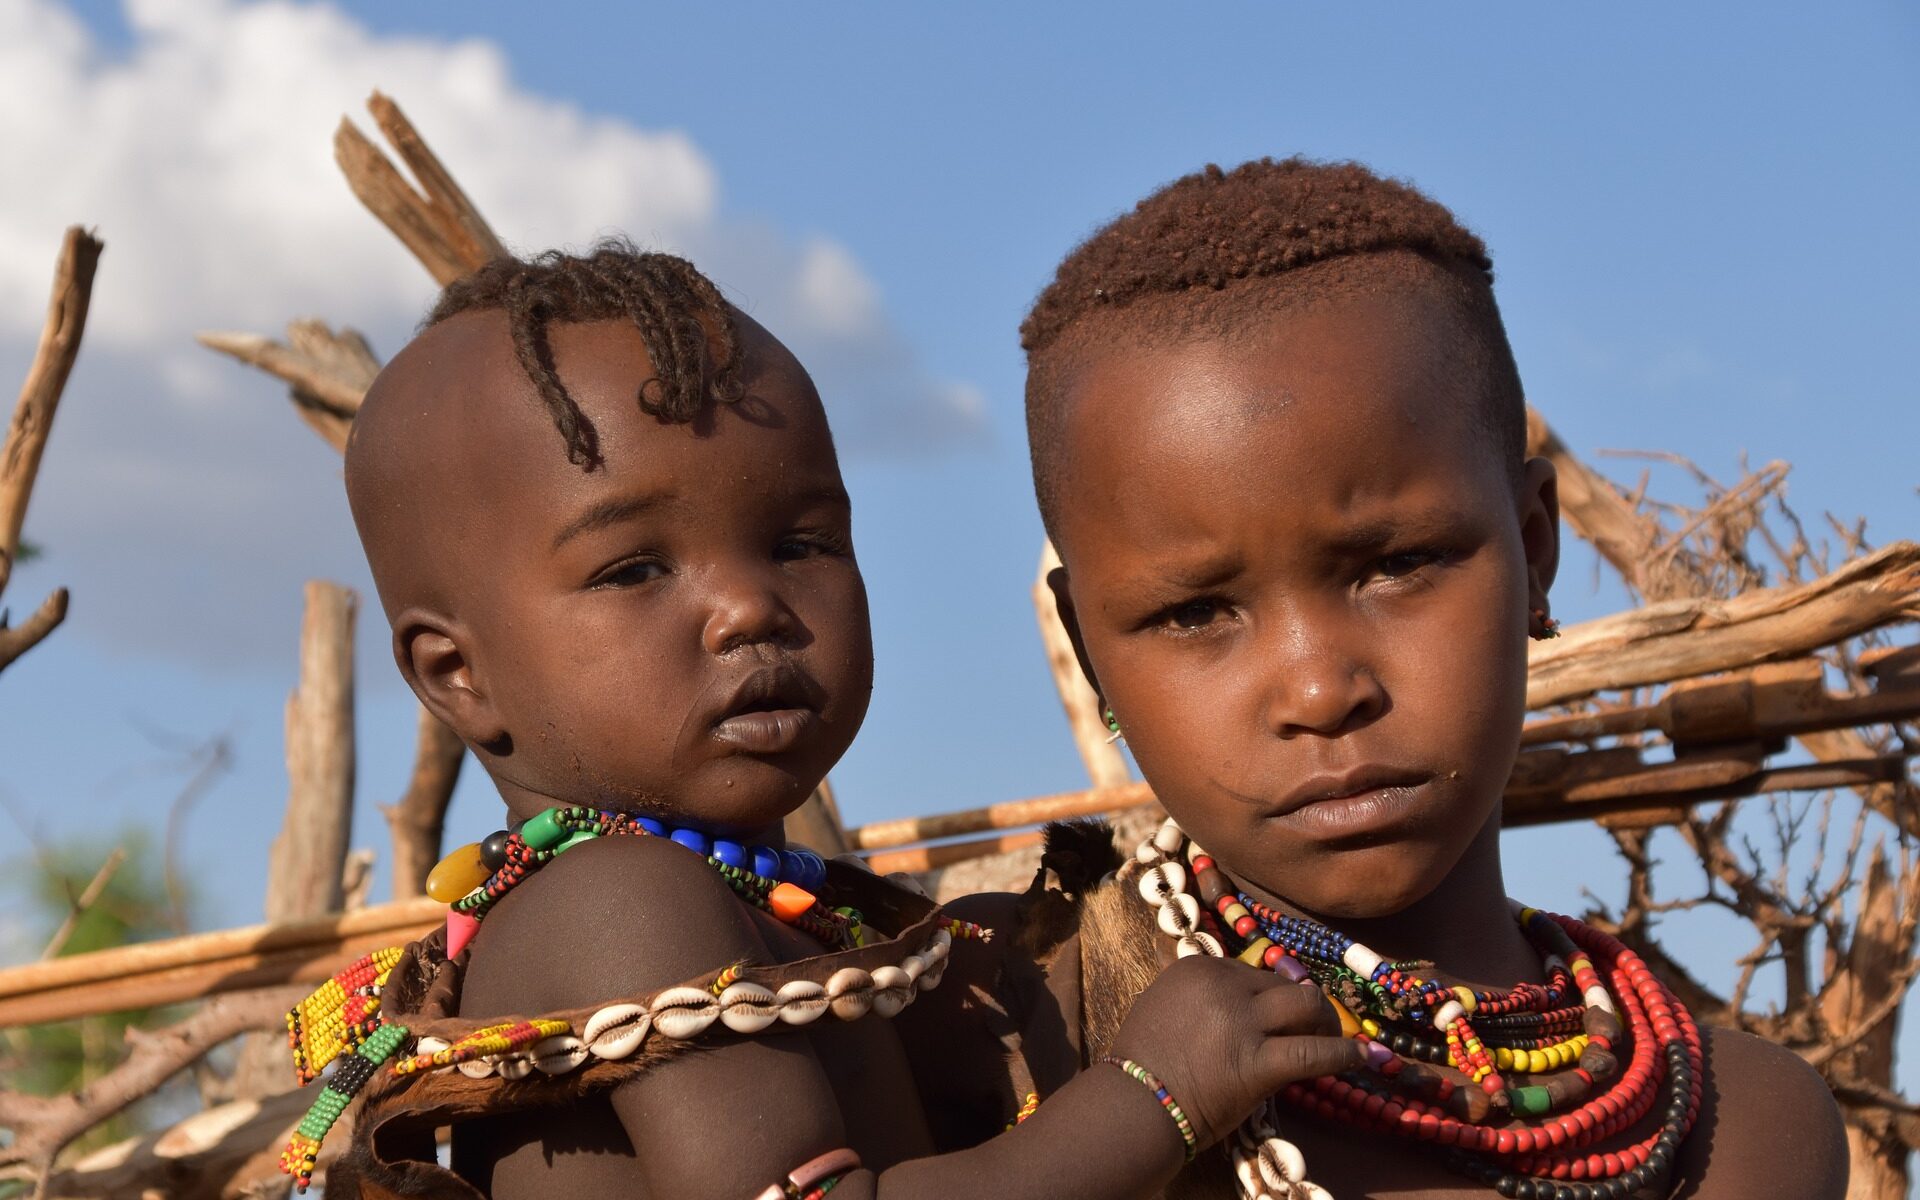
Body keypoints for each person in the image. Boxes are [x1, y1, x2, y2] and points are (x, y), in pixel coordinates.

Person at [291, 241, 1367, 1200]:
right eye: (634, 569)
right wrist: (1151, 1096)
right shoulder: (616, 899)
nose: (750, 607)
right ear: (457, 674)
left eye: (800, 543)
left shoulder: (772, 908)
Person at [1019, 159, 1849, 1199]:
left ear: (1536, 547)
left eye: (1396, 565)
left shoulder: (1743, 1129)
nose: (1321, 692)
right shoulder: (1035, 1076)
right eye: (1195, 614)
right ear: (1091, 653)